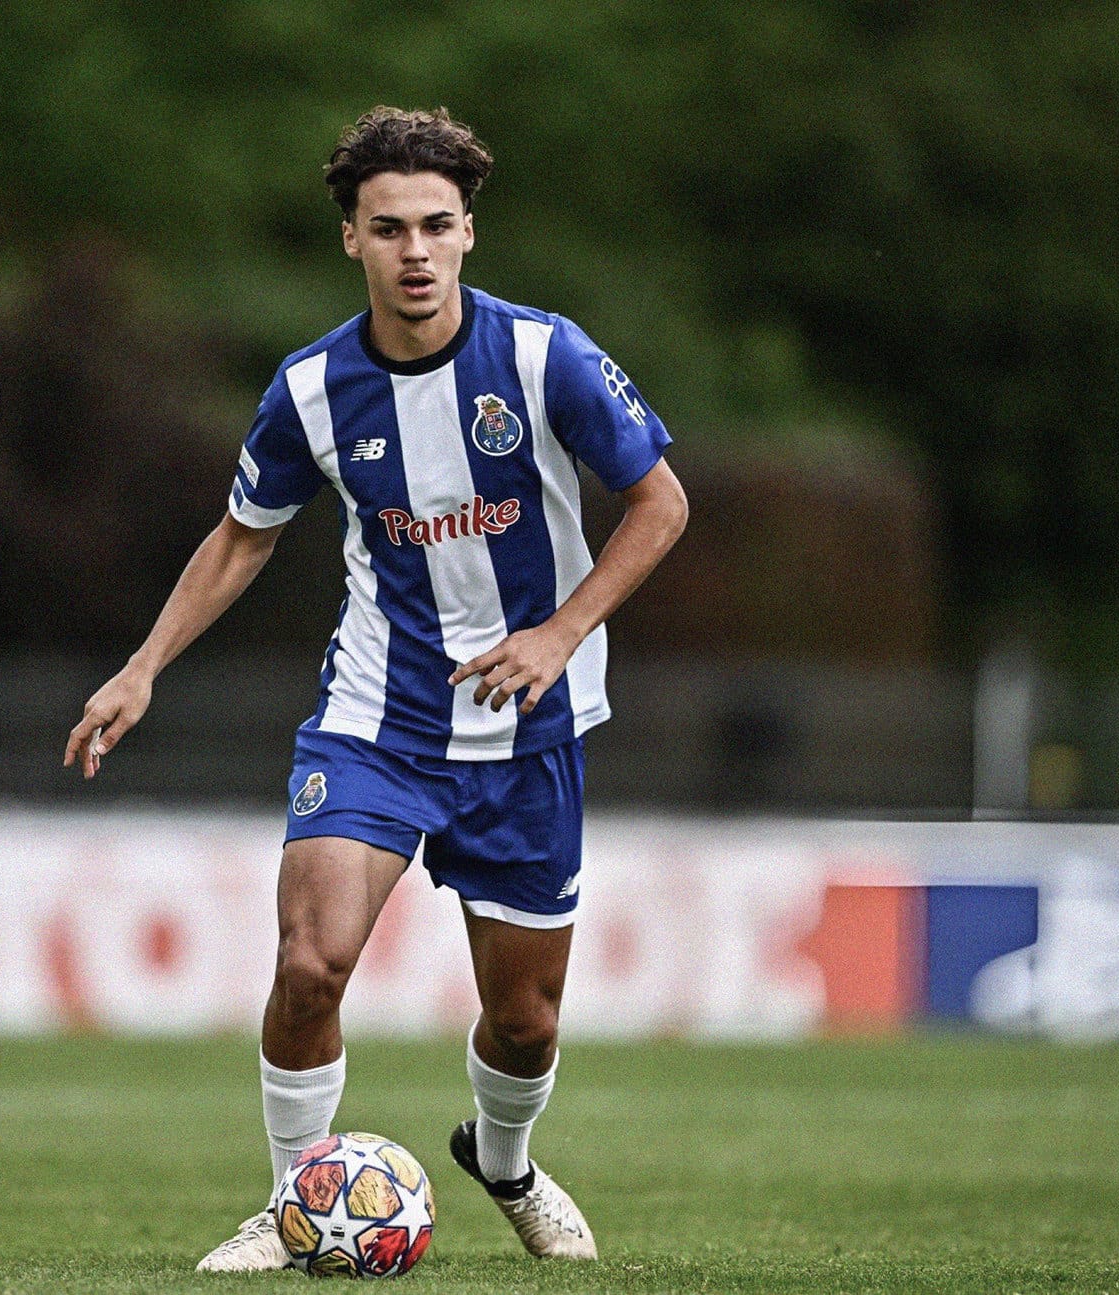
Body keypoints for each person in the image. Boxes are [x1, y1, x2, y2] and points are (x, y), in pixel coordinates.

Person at [66, 105, 687, 1271]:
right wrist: (143, 665)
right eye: (387, 226)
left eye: (435, 226)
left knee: (524, 1019)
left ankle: (503, 1161)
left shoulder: (543, 356)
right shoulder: (310, 390)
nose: (413, 251)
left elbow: (661, 503)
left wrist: (556, 633)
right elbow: (243, 534)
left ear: (467, 234)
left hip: (526, 725)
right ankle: (293, 1200)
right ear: (349, 237)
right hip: (375, 722)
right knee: (308, 961)